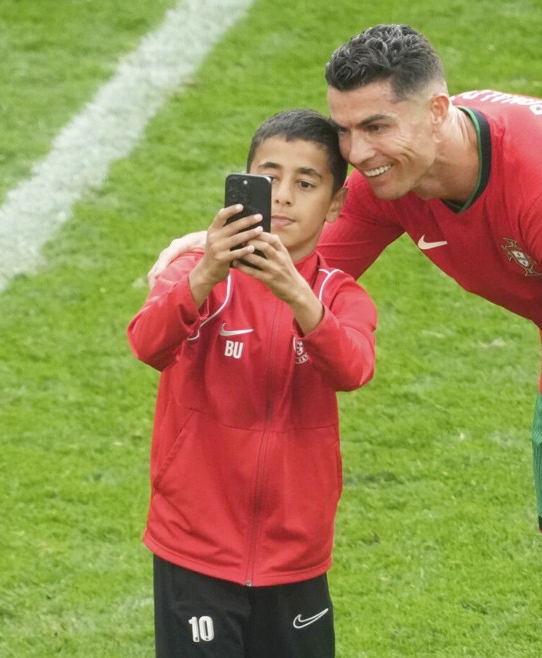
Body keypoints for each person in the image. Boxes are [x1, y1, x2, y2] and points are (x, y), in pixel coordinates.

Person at [148, 25, 542, 658]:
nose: (356, 155)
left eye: (377, 127)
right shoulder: (396, 181)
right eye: (345, 130)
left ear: (439, 111)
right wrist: (202, 260)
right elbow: (300, 267)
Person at [128, 108, 377, 657]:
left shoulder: (339, 296)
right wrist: (204, 274)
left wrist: (297, 296)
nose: (283, 196)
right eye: (268, 178)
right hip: (195, 548)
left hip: (295, 555)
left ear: (336, 204)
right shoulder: (196, 272)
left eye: (305, 183)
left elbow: (353, 368)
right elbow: (147, 344)